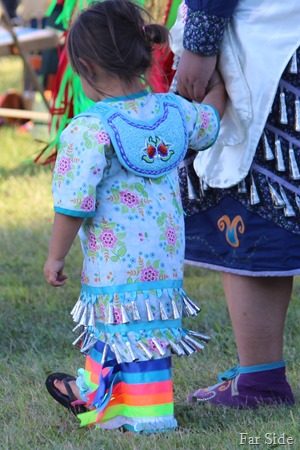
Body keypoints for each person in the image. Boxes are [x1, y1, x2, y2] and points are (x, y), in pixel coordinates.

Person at [43, 0, 226, 433]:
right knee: (143, 331)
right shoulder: (172, 112)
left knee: (116, 324)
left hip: (113, 262)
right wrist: (218, 80)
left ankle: (147, 415)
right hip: (162, 259)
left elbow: (73, 204)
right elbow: (212, 118)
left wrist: (55, 257)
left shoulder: (90, 130)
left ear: (84, 66)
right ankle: (98, 394)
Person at [173, 0, 300, 408]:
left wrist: (200, 42)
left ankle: (261, 381)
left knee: (251, 203)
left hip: (273, 46)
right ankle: (260, 378)